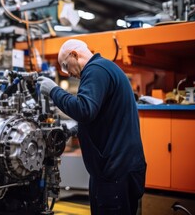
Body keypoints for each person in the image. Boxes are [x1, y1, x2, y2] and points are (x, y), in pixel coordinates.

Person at [38, 39, 146, 215]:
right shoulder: (103, 68)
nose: (68, 74)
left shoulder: (96, 70)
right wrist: (74, 130)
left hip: (115, 171)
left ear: (74, 54)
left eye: (65, 66)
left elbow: (85, 109)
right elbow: (102, 116)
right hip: (113, 169)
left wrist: (54, 91)